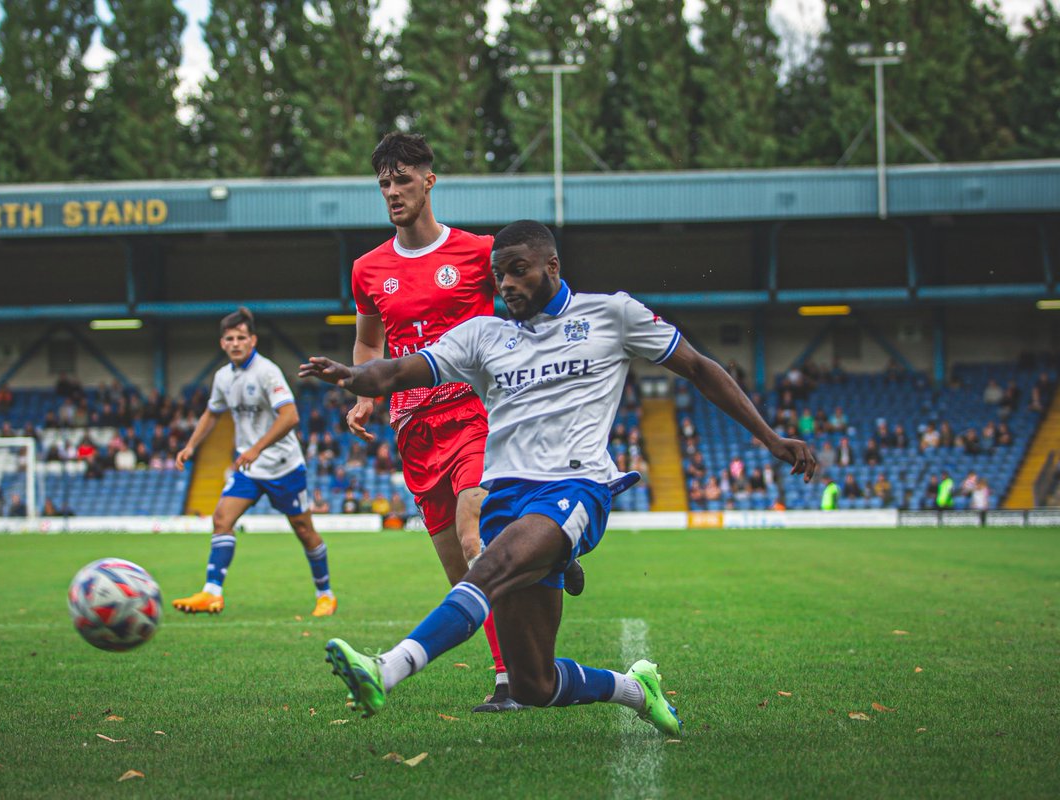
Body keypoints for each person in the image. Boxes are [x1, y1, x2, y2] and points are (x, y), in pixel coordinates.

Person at [300, 220, 816, 727]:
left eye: (519, 271)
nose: (506, 285)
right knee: (534, 684)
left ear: (552, 266)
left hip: (575, 489)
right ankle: (635, 689)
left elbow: (700, 367)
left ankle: (386, 669)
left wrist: (770, 438)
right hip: (507, 499)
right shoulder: (483, 336)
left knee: (487, 566)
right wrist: (352, 376)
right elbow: (395, 370)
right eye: (499, 275)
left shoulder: (611, 313)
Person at [346, 132, 584, 710]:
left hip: (475, 413)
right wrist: (364, 396)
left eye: (403, 179)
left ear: (429, 180)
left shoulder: (478, 252)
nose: (393, 191)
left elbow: (530, 296)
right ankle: (510, 680)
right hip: (414, 432)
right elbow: (367, 343)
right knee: (466, 575)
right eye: (384, 182)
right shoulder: (368, 269)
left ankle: (549, 551)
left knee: (475, 525)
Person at [171, 307, 337, 618]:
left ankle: (325, 594)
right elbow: (212, 412)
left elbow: (290, 416)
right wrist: (191, 446)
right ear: (222, 343)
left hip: (284, 466)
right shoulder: (223, 376)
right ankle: (211, 593)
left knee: (303, 529)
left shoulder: (267, 372)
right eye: (230, 338)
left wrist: (257, 448)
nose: (235, 343)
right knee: (222, 519)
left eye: (241, 338)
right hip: (248, 468)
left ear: (253, 340)